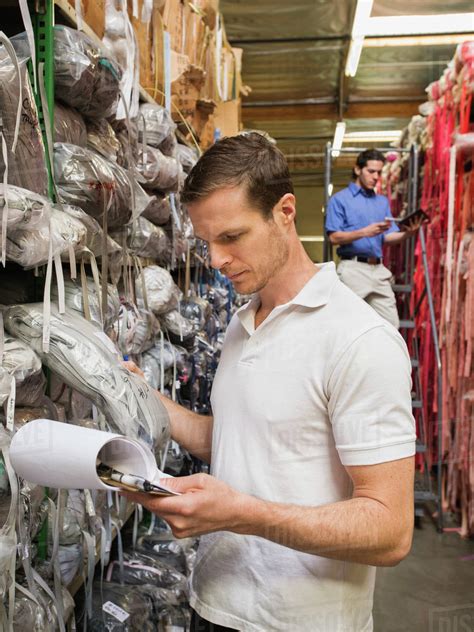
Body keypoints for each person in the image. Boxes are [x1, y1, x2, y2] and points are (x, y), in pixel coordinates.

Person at [124, 133, 416, 632]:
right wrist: (139, 396)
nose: (215, 260)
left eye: (231, 238)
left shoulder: (358, 338)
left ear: (285, 212)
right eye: (206, 243)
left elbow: (390, 530)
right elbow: (243, 442)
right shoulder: (243, 323)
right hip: (214, 606)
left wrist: (242, 514)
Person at [325, 149, 420, 329]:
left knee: (391, 325)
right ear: (358, 169)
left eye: (379, 172)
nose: (376, 176)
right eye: (371, 171)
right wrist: (365, 232)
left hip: (378, 269)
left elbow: (388, 236)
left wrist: (409, 233)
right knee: (345, 325)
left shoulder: (382, 202)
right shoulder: (340, 199)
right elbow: (334, 237)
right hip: (352, 269)